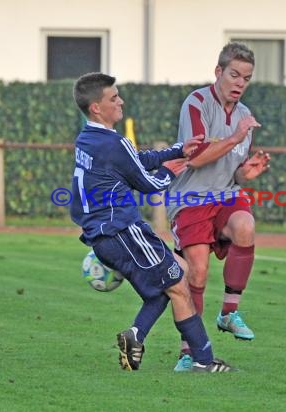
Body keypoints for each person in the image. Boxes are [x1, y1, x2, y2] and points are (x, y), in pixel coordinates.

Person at [69, 72, 234, 372]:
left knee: (177, 275)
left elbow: (133, 161)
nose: (121, 101)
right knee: (179, 287)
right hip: (124, 233)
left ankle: (135, 336)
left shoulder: (89, 138)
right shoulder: (112, 143)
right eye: (113, 98)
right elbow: (147, 183)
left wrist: (177, 150)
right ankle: (203, 361)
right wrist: (172, 170)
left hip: (111, 235)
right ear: (96, 108)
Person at [166, 42, 271, 371]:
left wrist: (245, 172)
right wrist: (236, 139)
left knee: (245, 226)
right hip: (191, 199)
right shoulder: (197, 103)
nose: (240, 83)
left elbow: (233, 169)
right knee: (196, 271)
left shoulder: (244, 117)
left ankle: (228, 313)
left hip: (225, 194)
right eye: (234, 75)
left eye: (247, 78)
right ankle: (189, 352)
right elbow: (195, 159)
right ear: (218, 72)